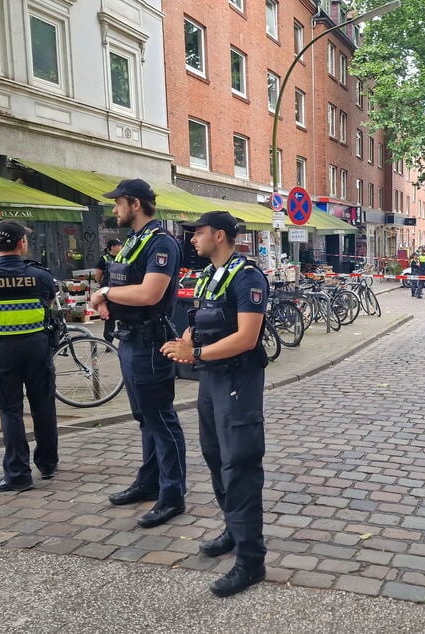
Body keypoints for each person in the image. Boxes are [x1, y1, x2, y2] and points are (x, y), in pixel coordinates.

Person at [161, 211, 269, 598]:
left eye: (199, 233)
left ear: (219, 235)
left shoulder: (247, 277)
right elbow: (200, 322)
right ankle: (233, 529)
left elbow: (246, 338)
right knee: (214, 456)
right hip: (212, 381)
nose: (192, 239)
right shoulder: (210, 275)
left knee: (239, 463)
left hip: (238, 380)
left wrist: (197, 352)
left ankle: (250, 560)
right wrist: (185, 343)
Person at [89, 178, 187, 529]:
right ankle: (149, 482)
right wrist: (110, 304)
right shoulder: (135, 241)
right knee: (146, 418)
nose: (114, 209)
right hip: (130, 338)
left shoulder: (161, 242)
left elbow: (149, 293)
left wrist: (105, 295)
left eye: (117, 203)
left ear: (134, 203)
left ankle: (173, 495)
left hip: (149, 343)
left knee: (160, 419)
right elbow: (124, 286)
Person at [0, 221, 58, 491]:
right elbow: (49, 301)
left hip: (1, 351)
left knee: (10, 411)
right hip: (37, 348)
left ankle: (18, 474)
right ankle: (48, 463)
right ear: (21, 244)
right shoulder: (40, 276)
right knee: (44, 406)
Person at [94, 239, 122, 342]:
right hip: (107, 292)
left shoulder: (123, 258)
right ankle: (108, 341)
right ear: (113, 247)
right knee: (109, 317)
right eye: (119, 245)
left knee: (123, 314)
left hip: (120, 290)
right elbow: (97, 277)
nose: (121, 247)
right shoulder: (103, 259)